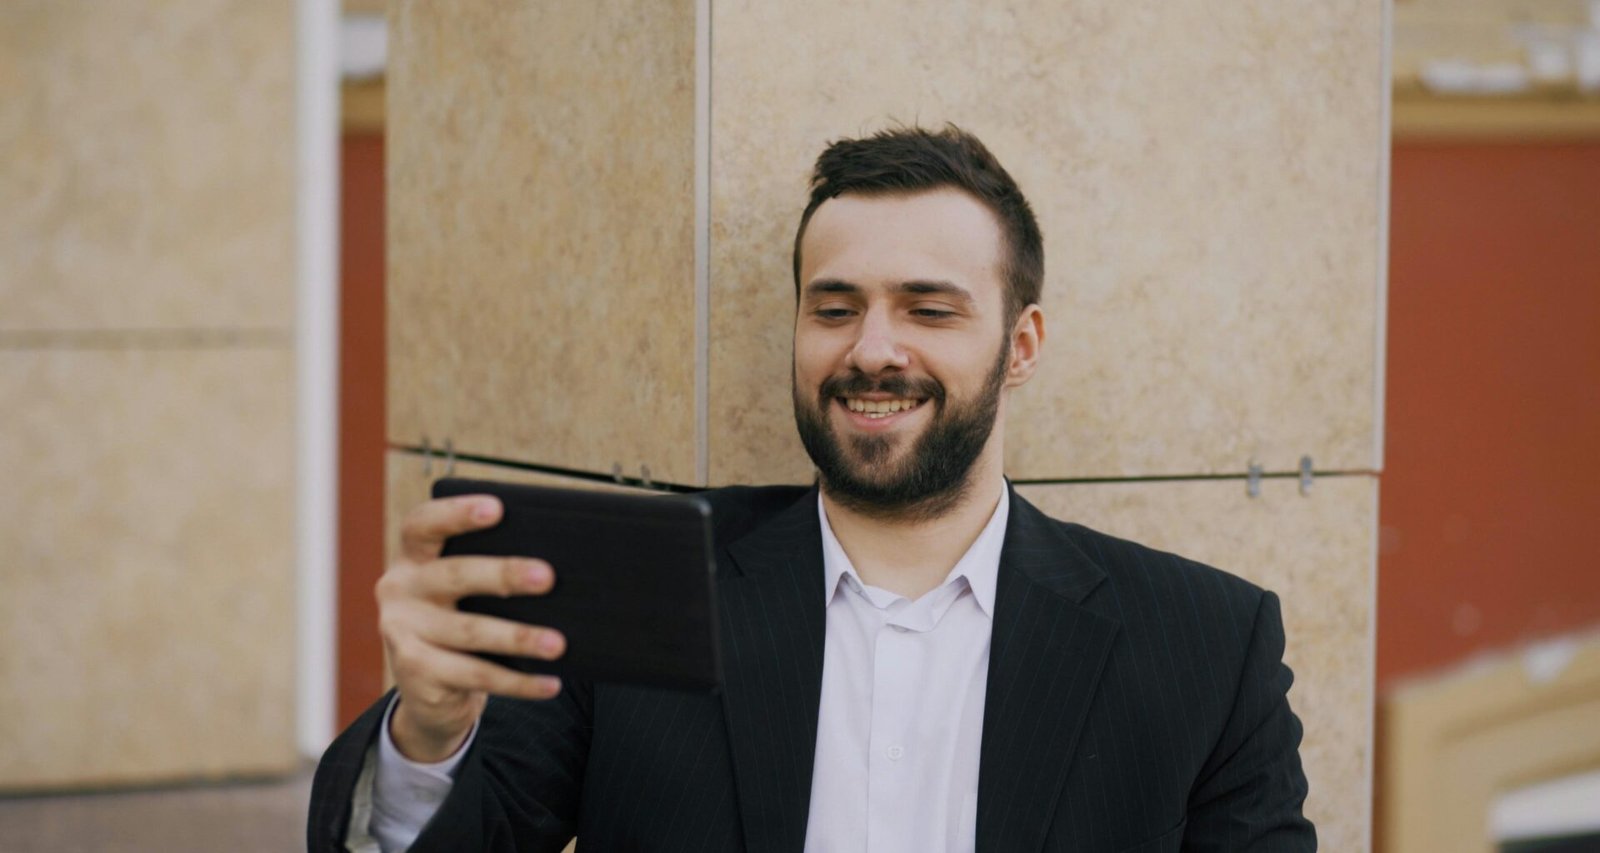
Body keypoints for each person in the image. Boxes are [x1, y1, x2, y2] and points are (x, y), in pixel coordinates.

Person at [310, 125, 1316, 852]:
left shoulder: (1207, 643)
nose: (872, 350)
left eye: (928, 309)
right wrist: (427, 736)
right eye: (834, 307)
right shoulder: (638, 583)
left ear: (1021, 346)